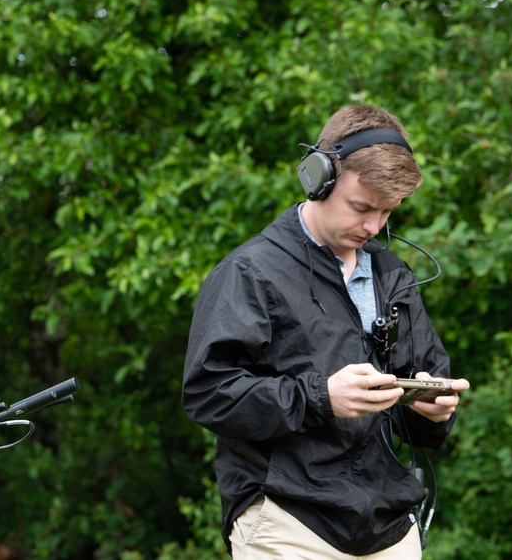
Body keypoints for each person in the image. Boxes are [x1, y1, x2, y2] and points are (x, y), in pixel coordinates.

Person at [182, 104, 470, 559]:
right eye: (361, 208)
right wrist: (320, 397)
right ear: (319, 178)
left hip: (388, 525)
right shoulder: (251, 272)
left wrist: (430, 410)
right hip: (287, 518)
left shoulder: (393, 275)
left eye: (387, 212)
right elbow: (209, 393)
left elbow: (417, 397)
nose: (374, 226)